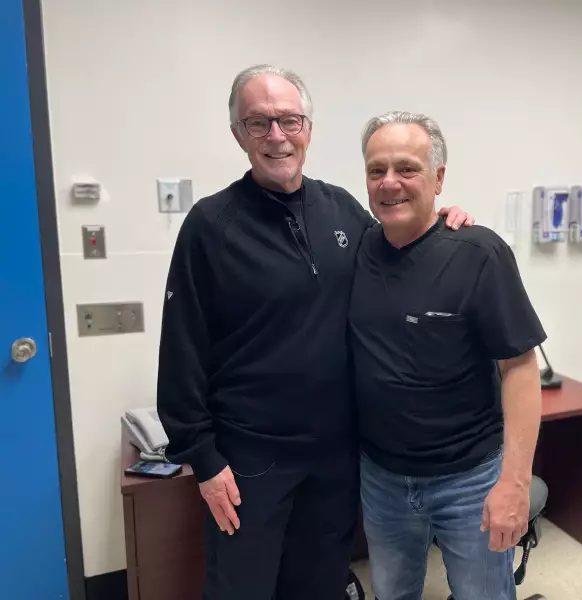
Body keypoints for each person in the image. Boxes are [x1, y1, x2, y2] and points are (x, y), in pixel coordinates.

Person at [155, 67, 473, 600]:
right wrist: (203, 458)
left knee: (321, 585)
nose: (276, 135)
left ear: (308, 128)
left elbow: (400, 254)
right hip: (249, 461)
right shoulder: (211, 226)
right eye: (259, 123)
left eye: (289, 120)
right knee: (242, 590)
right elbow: (181, 350)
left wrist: (440, 222)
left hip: (335, 455)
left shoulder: (342, 208)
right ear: (238, 134)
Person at [349, 111, 546, 600]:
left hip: (469, 479)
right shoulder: (356, 248)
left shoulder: (479, 254)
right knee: (392, 593)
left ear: (438, 179)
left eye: (407, 168)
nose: (389, 182)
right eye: (376, 170)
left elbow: (521, 369)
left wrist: (515, 483)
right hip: (382, 479)